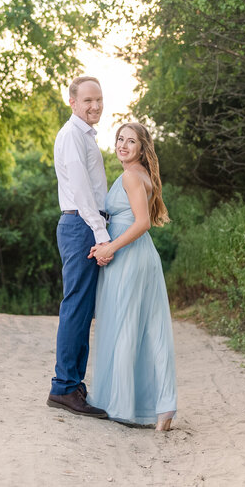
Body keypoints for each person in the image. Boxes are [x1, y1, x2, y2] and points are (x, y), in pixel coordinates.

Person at [88, 122, 177, 431]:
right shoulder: (141, 175)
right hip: (141, 256)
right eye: (120, 139)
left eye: (131, 142)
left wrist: (108, 248)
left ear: (142, 148)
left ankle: (123, 405)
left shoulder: (130, 176)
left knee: (125, 325)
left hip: (129, 257)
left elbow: (142, 223)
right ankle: (162, 409)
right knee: (152, 328)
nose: (123, 146)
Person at [47, 76, 111, 418]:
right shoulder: (72, 136)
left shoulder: (85, 136)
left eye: (98, 99)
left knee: (84, 309)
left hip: (84, 224)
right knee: (76, 307)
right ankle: (64, 388)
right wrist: (100, 233)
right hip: (81, 226)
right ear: (72, 102)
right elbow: (83, 192)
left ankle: (74, 385)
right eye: (87, 100)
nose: (95, 106)